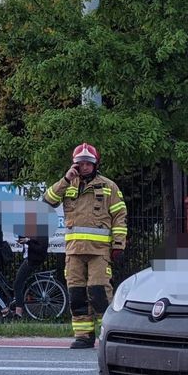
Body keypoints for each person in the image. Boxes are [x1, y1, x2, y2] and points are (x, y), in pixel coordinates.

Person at [42, 142, 127, 348]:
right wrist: (65, 179)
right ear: (74, 164)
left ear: (95, 164)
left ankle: (108, 334)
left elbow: (119, 215)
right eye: (81, 163)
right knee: (76, 294)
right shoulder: (68, 184)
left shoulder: (108, 187)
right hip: (74, 251)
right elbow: (48, 200)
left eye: (88, 163)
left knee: (99, 292)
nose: (85, 167)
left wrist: (118, 245)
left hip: (99, 251)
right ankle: (83, 336)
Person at [8, 234, 50, 320]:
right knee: (21, 282)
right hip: (28, 259)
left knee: (17, 284)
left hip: (32, 261)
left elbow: (41, 249)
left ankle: (18, 313)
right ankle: (18, 302)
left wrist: (28, 241)